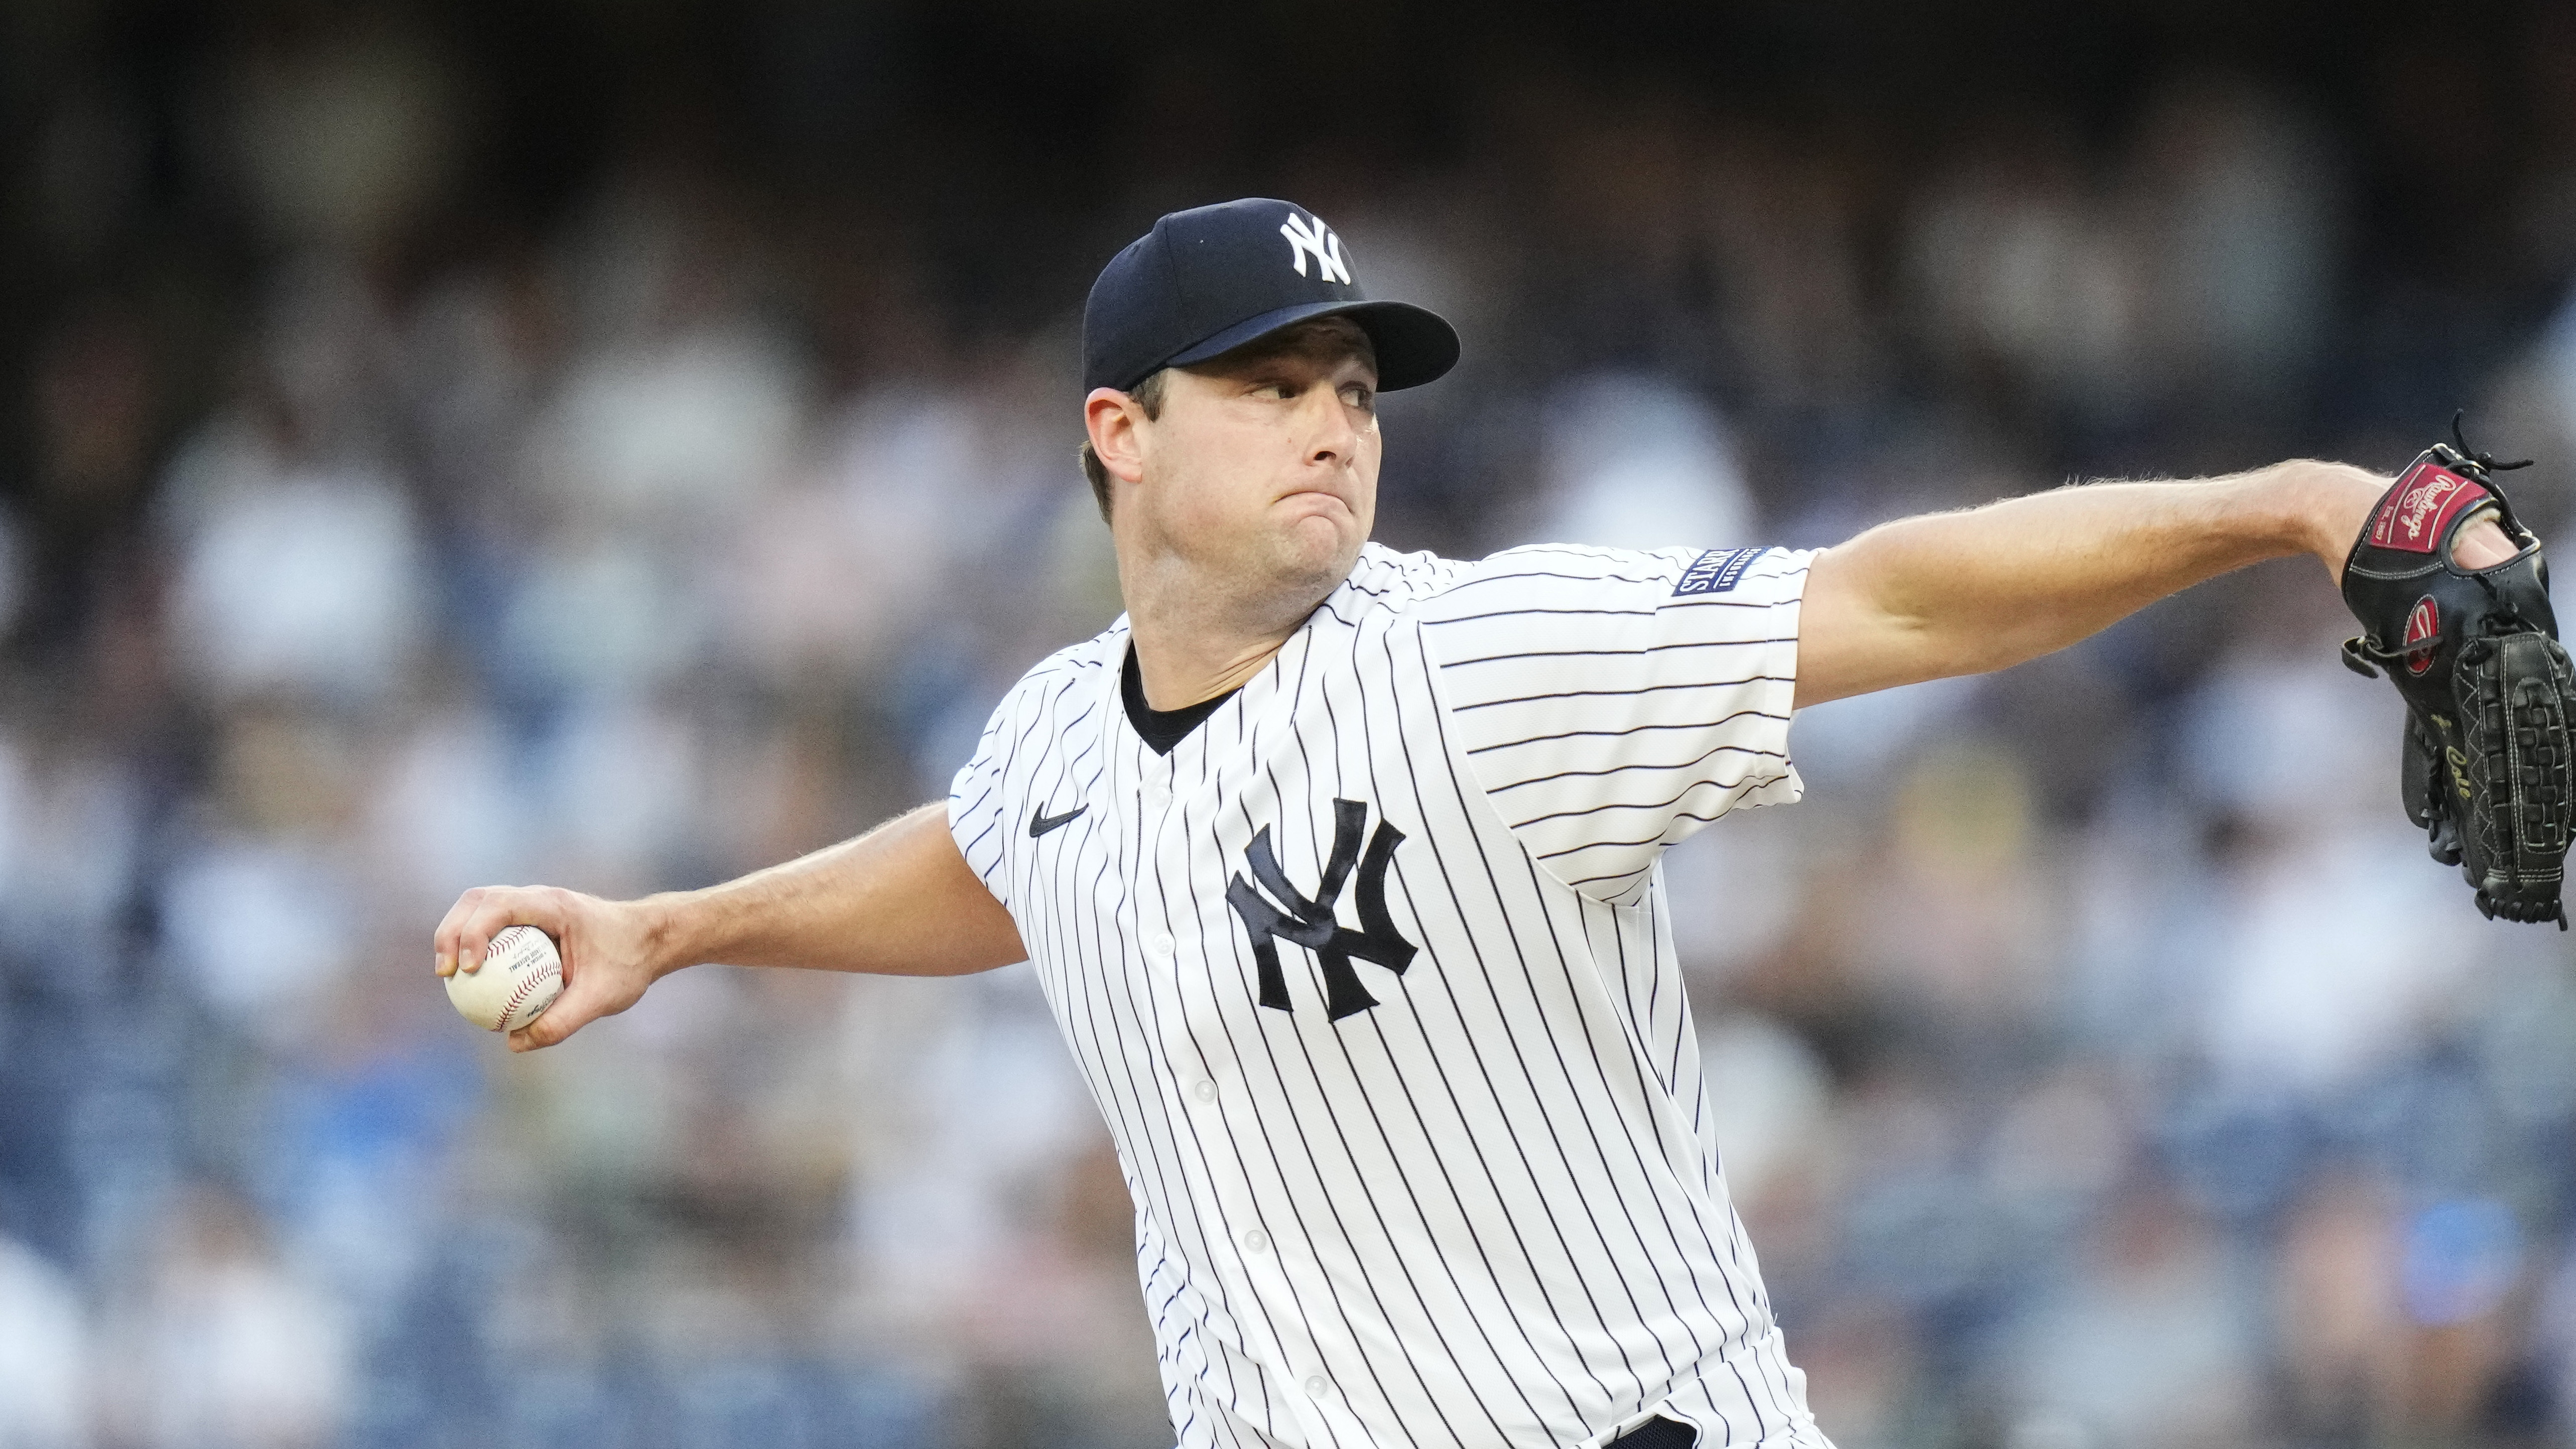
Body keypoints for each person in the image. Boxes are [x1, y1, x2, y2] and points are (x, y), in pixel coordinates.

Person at [433, 198, 2516, 1449]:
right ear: (1119, 434)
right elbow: (1001, 864)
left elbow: (1888, 587)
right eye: (1269, 381)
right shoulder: (1055, 729)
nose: (1336, 414)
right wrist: (678, 927)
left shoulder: (1480, 659)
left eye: (1352, 377)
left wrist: (2283, 505)